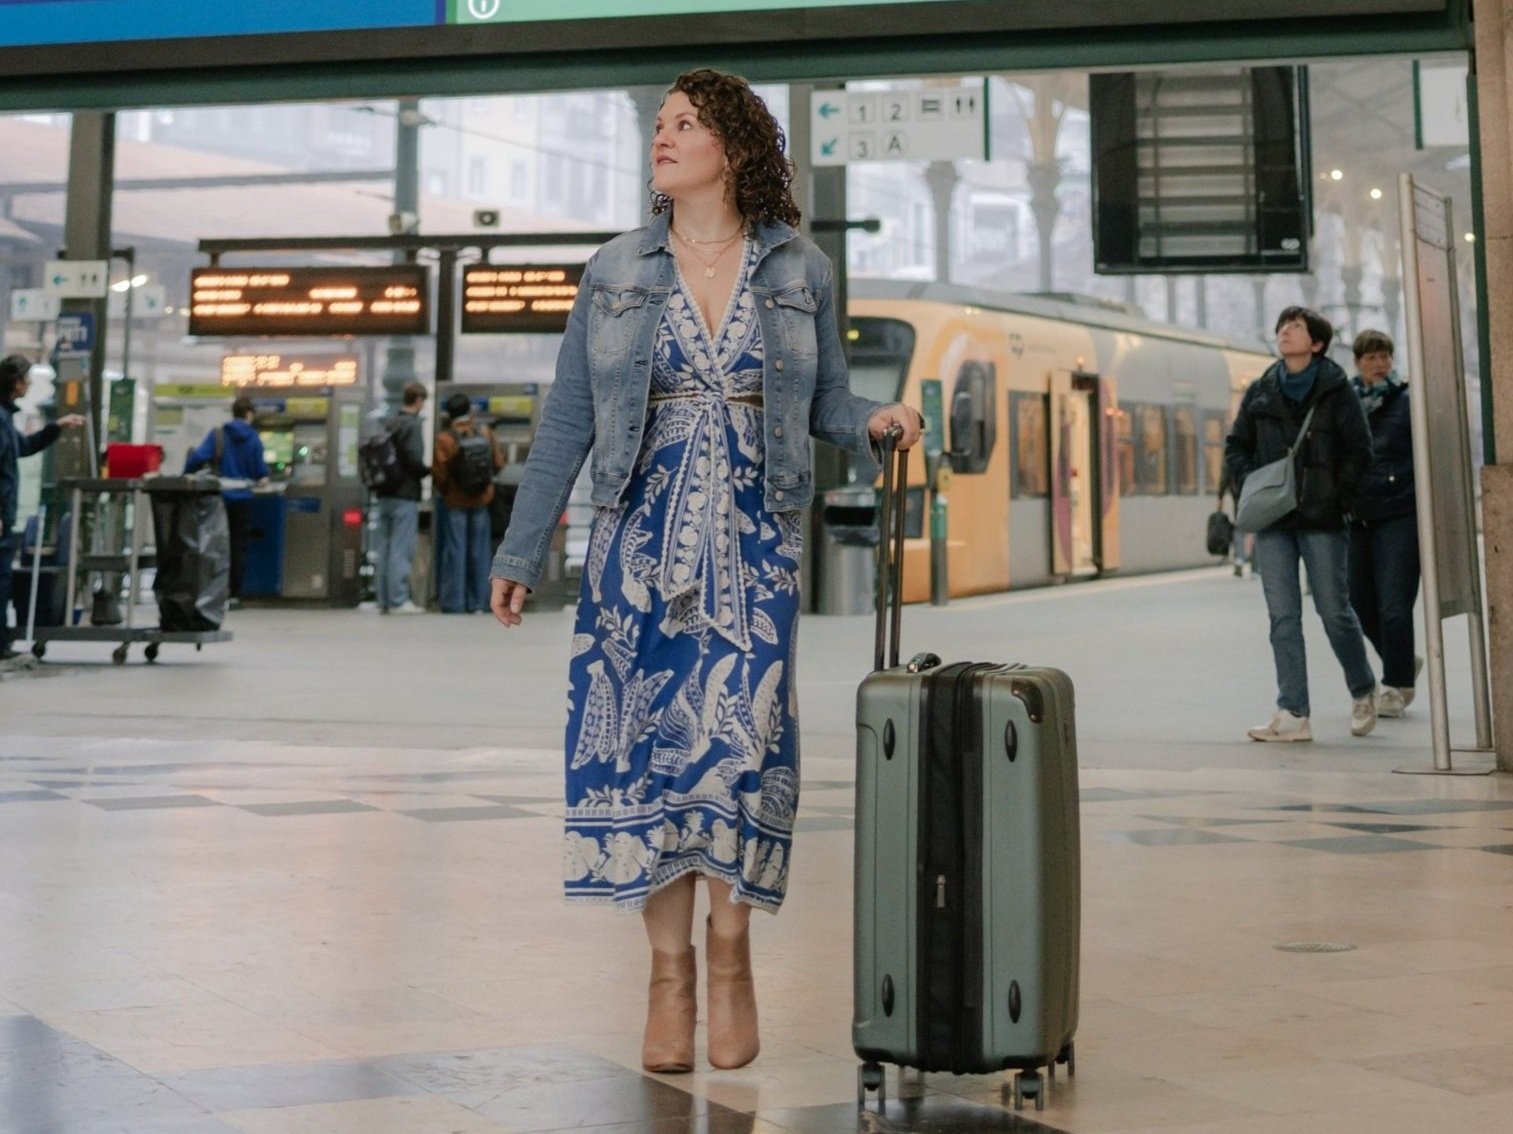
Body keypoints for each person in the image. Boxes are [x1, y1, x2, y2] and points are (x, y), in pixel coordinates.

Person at [488, 69, 922, 1074]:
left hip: (753, 542)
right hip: (633, 551)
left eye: (685, 124)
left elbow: (825, 406)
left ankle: (730, 958)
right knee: (645, 759)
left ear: (734, 145)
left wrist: (874, 422)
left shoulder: (798, 270)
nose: (663, 138)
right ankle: (667, 976)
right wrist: (521, 549)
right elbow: (565, 423)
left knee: (740, 748)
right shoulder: (613, 270)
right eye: (658, 125)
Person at [1225, 307, 1377, 742]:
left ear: (1316, 344)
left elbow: (1358, 450)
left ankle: (1363, 687)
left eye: (1295, 328)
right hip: (1274, 519)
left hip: (1324, 518)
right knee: (1283, 617)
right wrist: (1251, 480)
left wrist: (1338, 497)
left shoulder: (1336, 391)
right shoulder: (1261, 390)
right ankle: (1294, 711)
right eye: (1282, 327)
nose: (1285, 333)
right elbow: (1236, 445)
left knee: (1334, 611)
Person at [1347, 329, 1421, 717]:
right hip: (1357, 516)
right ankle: (1403, 659)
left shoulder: (1407, 401)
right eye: (1371, 357)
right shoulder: (1345, 403)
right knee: (1358, 603)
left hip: (1399, 512)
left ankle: (1397, 684)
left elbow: (1421, 452)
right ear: (1357, 362)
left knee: (1394, 605)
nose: (1379, 365)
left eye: (1384, 357)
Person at [1, 355, 84, 660]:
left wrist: (55, 428)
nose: (30, 384)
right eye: (26, 379)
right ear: (15, 382)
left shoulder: (6, 418)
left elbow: (21, 448)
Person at [184, 395, 268, 605]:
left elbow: (196, 458)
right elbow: (261, 473)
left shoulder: (219, 434)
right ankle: (234, 594)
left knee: (214, 545)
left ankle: (213, 592)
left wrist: (186, 475)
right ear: (249, 414)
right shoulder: (255, 438)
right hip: (242, 499)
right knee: (238, 546)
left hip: (218, 498)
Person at [433, 391, 503, 614]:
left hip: (455, 501)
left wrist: (447, 491)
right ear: (469, 411)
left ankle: (455, 603)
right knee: (480, 552)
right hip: (482, 499)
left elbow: (440, 473)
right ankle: (480, 602)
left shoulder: (446, 438)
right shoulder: (485, 432)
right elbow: (498, 463)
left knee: (456, 550)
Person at [371, 381, 430, 614]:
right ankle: (398, 599)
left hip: (384, 492)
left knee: (384, 547)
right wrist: (427, 471)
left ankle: (383, 599)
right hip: (405, 494)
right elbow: (414, 460)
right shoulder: (412, 426)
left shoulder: (390, 423)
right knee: (401, 548)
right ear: (418, 401)